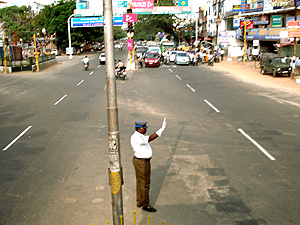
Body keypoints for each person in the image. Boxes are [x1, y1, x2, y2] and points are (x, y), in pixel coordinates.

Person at [131, 118, 167, 213]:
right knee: (145, 184)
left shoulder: (139, 135)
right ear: (139, 129)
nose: (146, 129)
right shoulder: (137, 137)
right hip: (142, 163)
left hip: (140, 161)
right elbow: (151, 138)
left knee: (140, 183)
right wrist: (161, 129)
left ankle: (140, 202)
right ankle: (146, 205)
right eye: (144, 128)